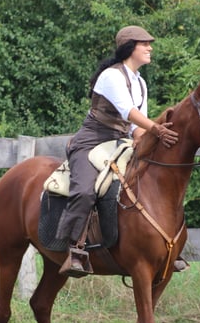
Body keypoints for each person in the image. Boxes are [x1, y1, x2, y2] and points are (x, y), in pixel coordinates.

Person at [55, 25, 181, 277]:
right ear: (129, 47)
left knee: (153, 182)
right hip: (91, 142)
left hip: (120, 141)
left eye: (149, 43)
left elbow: (135, 125)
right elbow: (129, 112)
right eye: (144, 44)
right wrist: (157, 129)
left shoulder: (141, 83)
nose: (150, 48)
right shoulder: (111, 76)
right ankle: (75, 249)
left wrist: (146, 141)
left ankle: (164, 246)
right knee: (84, 190)